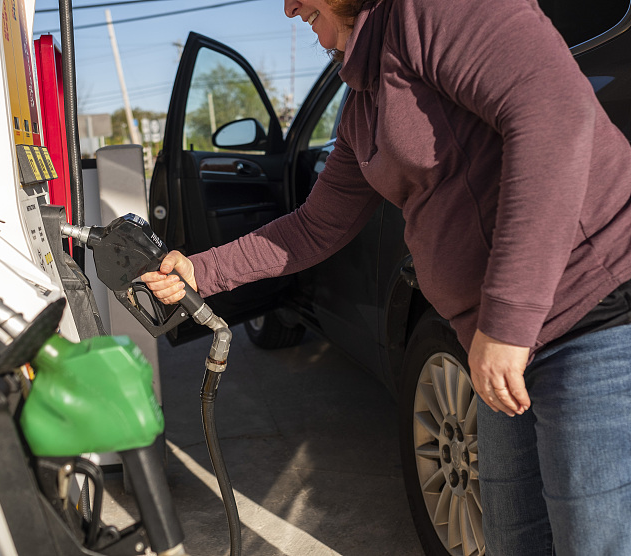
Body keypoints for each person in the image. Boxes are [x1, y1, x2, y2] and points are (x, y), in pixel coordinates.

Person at [142, 0, 631, 553]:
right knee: (515, 538)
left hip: (589, 318)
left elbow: (554, 111)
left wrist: (508, 323)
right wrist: (200, 270)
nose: (287, 7)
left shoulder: (434, 11)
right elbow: (315, 227)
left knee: (595, 541)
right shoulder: (362, 104)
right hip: (496, 348)